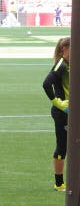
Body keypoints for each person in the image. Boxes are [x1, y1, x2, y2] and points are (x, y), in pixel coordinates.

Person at [43, 37, 70, 191]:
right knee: (62, 146)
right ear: (63, 50)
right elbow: (46, 84)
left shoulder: (71, 64)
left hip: (72, 111)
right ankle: (59, 183)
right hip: (62, 113)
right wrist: (58, 103)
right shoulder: (61, 65)